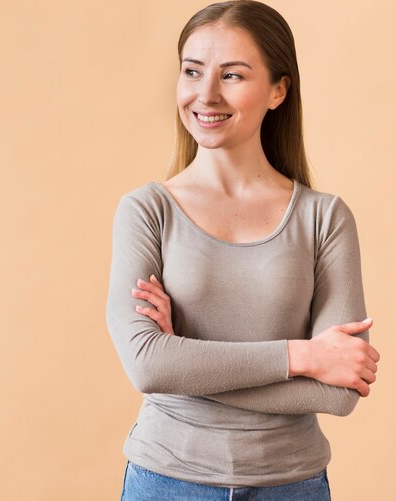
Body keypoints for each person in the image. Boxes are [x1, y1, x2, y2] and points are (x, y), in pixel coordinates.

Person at [104, 1, 381, 500]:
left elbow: (338, 393)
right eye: (192, 71)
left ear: (278, 90)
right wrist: (304, 355)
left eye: (232, 75)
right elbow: (148, 366)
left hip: (291, 486)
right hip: (166, 482)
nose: (205, 94)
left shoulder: (324, 218)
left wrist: (185, 362)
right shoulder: (146, 211)